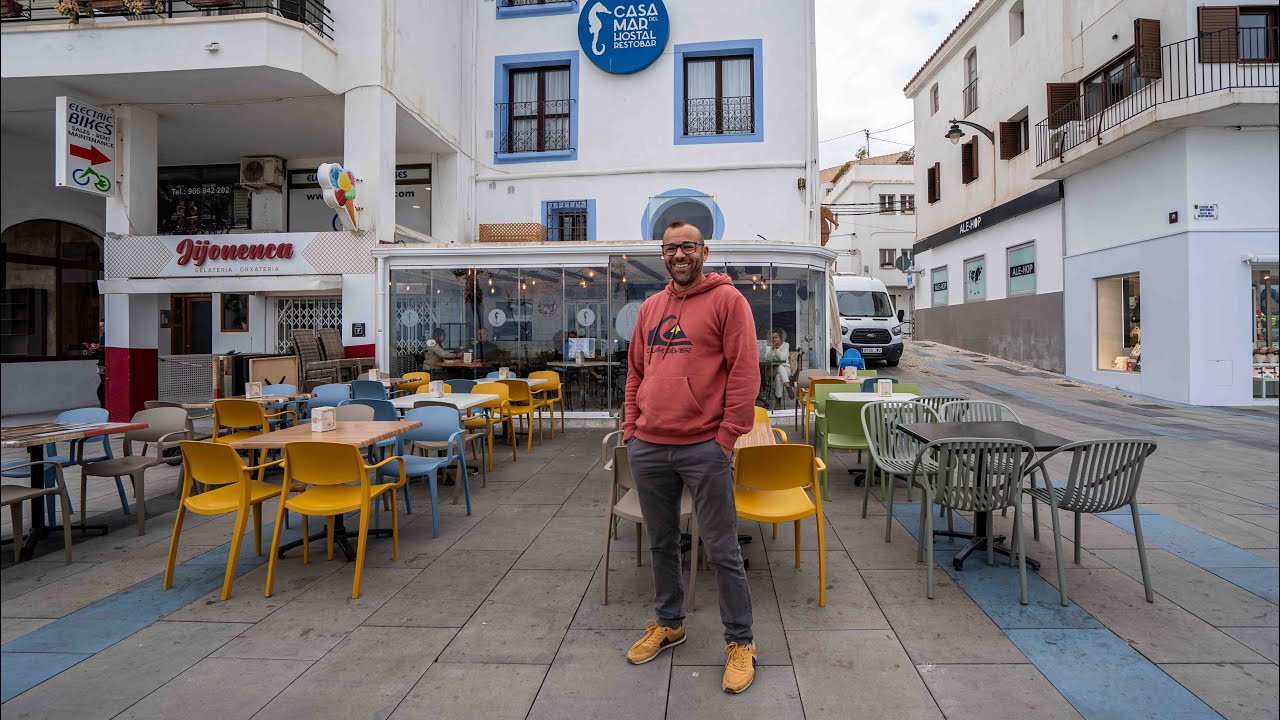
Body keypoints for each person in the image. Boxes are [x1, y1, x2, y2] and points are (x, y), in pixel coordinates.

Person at [623, 220, 760, 694]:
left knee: (722, 550)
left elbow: (745, 374)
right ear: (662, 255)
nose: (679, 255)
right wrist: (630, 431)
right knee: (661, 544)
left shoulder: (728, 301)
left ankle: (740, 642)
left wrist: (725, 439)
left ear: (704, 251)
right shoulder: (651, 308)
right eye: (670, 248)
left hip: (704, 446)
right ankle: (669, 622)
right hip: (649, 445)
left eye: (688, 247)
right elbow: (635, 372)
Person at [762, 329, 794, 403]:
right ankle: (788, 386)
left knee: (778, 375)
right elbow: (767, 358)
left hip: (786, 368)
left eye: (776, 337)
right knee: (779, 368)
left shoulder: (786, 345)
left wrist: (776, 349)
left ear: (781, 337)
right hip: (772, 369)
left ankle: (778, 400)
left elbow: (782, 358)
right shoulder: (769, 345)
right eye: (772, 337)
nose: (774, 339)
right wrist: (772, 348)